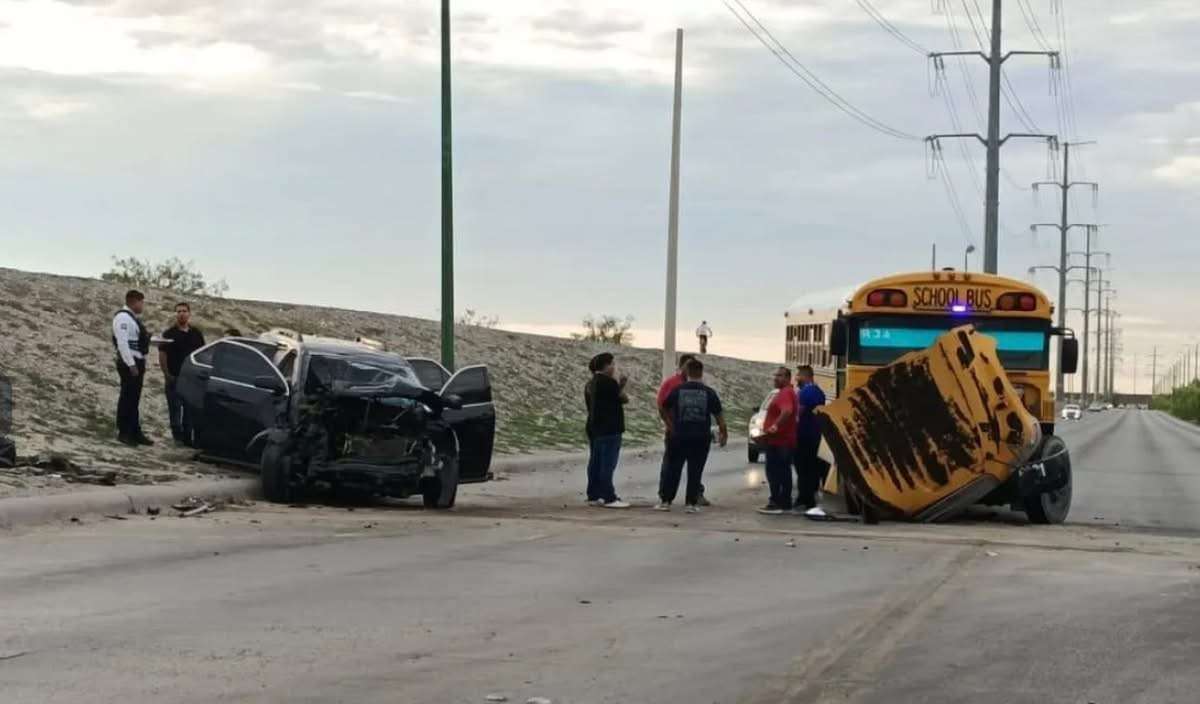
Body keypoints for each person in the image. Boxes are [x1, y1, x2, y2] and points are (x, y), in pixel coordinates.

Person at [657, 359, 727, 513]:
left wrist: (670, 425)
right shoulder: (709, 392)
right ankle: (691, 503)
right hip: (701, 438)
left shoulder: (678, 390)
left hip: (678, 436)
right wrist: (724, 434)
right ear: (701, 373)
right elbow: (719, 416)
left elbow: (663, 407)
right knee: (695, 470)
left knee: (673, 469)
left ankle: (666, 501)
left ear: (686, 372)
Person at [656, 353, 710, 506]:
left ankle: (695, 496)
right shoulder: (672, 384)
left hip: (697, 434)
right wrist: (670, 425)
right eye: (688, 365)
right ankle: (665, 496)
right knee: (671, 466)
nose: (690, 369)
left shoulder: (701, 386)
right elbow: (662, 405)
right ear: (682, 367)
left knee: (695, 467)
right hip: (676, 433)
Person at [584, 353, 631, 508]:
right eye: (612, 364)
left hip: (594, 426)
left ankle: (593, 494)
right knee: (607, 463)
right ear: (605, 366)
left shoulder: (590, 384)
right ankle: (609, 496)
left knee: (595, 462)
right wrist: (621, 385)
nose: (613, 367)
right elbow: (623, 398)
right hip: (610, 428)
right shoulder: (609, 383)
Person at [159, 302, 206, 445]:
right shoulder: (169, 334)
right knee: (175, 410)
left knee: (189, 411)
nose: (181, 314)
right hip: (174, 376)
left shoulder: (196, 333)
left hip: (192, 379)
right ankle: (177, 438)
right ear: (175, 314)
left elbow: (202, 354)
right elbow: (162, 355)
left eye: (184, 311)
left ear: (189, 313)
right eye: (178, 311)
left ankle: (187, 438)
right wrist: (167, 375)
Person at [112, 290, 152, 446]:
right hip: (130, 362)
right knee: (127, 398)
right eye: (141, 302)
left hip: (137, 360)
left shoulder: (132, 319)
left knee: (134, 399)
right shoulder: (122, 318)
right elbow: (122, 343)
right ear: (134, 302)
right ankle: (124, 432)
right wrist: (131, 364)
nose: (142, 306)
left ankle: (135, 431)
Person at [758, 366, 797, 515]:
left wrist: (775, 426)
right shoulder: (786, 392)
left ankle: (776, 501)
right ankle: (784, 501)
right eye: (775, 375)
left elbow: (787, 411)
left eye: (780, 376)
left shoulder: (785, 393)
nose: (776, 378)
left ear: (787, 378)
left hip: (779, 442)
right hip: (783, 441)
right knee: (783, 471)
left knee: (775, 472)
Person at [793, 364, 829, 511]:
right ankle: (808, 496)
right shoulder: (819, 392)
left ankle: (806, 498)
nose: (796, 378)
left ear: (805, 376)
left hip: (804, 436)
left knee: (803, 469)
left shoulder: (805, 393)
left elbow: (798, 414)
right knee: (812, 468)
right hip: (815, 435)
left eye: (798, 375)